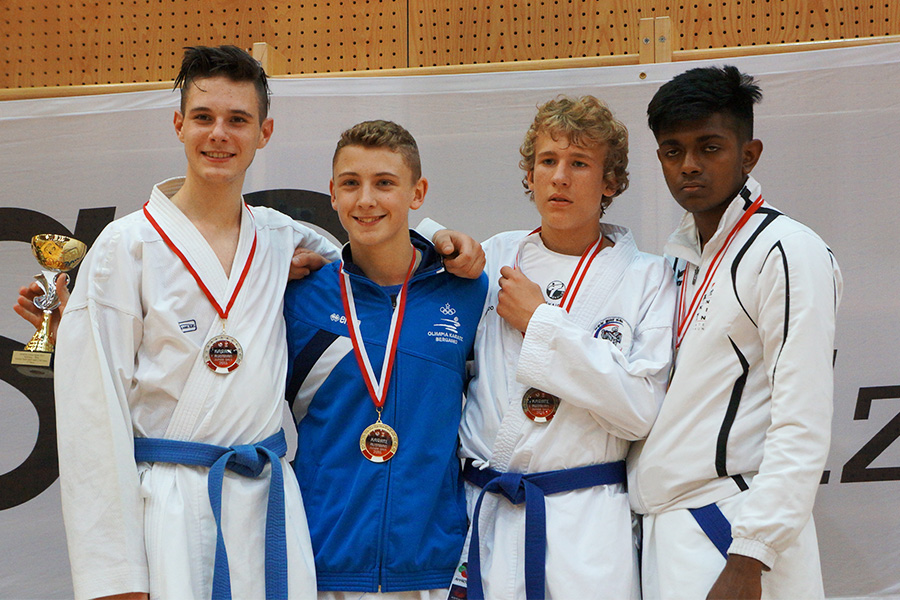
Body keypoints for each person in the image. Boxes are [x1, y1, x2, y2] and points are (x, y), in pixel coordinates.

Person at [51, 45, 341, 600]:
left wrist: (445, 245)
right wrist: (114, 577)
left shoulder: (280, 237)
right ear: (179, 124)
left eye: (239, 120)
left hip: (268, 504)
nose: (219, 135)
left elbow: (376, 264)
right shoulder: (125, 246)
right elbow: (92, 414)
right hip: (169, 508)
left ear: (264, 132)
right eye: (204, 117)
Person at [423, 95, 676, 599]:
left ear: (609, 182)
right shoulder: (494, 256)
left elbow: (640, 410)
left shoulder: (648, 277)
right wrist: (436, 236)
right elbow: (390, 252)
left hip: (583, 521)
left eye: (579, 163)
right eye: (547, 161)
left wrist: (540, 322)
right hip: (484, 509)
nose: (560, 177)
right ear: (530, 174)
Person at [627, 65, 843, 599]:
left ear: (749, 155)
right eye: (673, 151)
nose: (689, 165)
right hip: (667, 531)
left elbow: (802, 418)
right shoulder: (679, 261)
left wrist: (751, 554)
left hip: (735, 534)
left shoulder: (788, 250)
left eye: (710, 147)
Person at [282, 120, 488, 599]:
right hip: (323, 564)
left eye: (385, 183)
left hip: (431, 567)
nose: (366, 200)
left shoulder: (466, 292)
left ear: (418, 193)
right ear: (332, 194)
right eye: (351, 183)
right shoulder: (300, 299)